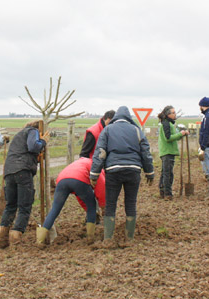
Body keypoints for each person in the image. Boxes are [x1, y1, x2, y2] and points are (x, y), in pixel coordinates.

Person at [90, 106, 154, 246]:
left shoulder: (107, 130)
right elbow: (146, 153)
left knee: (111, 203)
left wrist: (94, 174)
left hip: (113, 171)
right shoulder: (137, 131)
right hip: (133, 171)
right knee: (130, 203)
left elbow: (100, 153)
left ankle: (108, 239)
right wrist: (150, 172)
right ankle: (129, 238)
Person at [0, 120, 48, 248]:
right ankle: (15, 239)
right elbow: (33, 146)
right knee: (24, 206)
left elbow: (27, 151)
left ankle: (2, 238)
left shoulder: (19, 136)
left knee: (10, 205)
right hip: (23, 172)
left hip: (9, 172)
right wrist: (43, 141)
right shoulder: (33, 131)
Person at [36, 157, 106, 247]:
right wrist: (103, 206)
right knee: (91, 206)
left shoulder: (79, 163)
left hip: (62, 180)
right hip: (79, 180)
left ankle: (39, 241)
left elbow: (80, 196)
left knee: (55, 209)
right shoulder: (96, 167)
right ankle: (90, 238)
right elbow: (101, 189)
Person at [157, 105, 189, 200]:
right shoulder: (166, 124)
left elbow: (173, 136)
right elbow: (168, 138)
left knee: (165, 173)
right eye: (173, 112)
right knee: (168, 174)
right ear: (168, 114)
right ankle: (167, 194)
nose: (175, 114)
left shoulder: (169, 124)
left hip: (168, 151)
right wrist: (180, 134)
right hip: (167, 152)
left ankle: (162, 191)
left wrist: (181, 135)